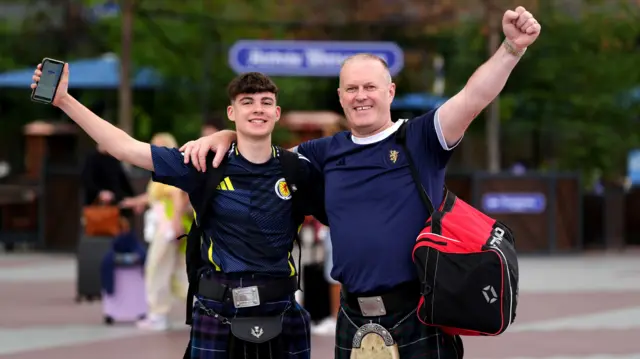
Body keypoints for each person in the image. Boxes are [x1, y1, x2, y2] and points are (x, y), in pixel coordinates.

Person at [179, 6, 541, 358]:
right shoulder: (322, 151)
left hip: (417, 311)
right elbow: (261, 156)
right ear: (340, 97)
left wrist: (512, 48)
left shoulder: (421, 139)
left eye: (370, 86)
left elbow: (473, 97)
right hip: (352, 313)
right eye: (351, 89)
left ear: (390, 92)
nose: (360, 95)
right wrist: (227, 135)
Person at [30, 68, 325, 358]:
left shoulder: (297, 167)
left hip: (281, 308)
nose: (257, 109)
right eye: (247, 102)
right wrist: (65, 101)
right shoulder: (202, 163)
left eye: (266, 102)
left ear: (277, 113)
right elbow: (126, 149)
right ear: (232, 112)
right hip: (217, 309)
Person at [121, 132, 192, 331]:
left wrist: (176, 221)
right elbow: (154, 196)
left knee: (157, 268)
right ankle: (201, 308)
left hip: (167, 226)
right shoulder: (165, 171)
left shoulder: (169, 170)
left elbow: (178, 195)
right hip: (170, 225)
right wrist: (136, 202)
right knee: (178, 272)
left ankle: (158, 314)